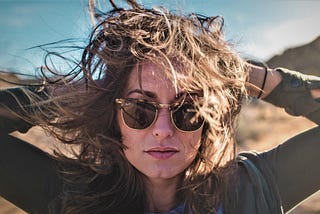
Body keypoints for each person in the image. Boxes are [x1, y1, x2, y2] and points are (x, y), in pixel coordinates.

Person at [0, 0, 320, 213]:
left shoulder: (254, 189)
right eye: (140, 109)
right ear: (113, 116)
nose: (163, 131)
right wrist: (68, 94)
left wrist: (249, 76)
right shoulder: (69, 197)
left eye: (188, 109)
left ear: (209, 119)